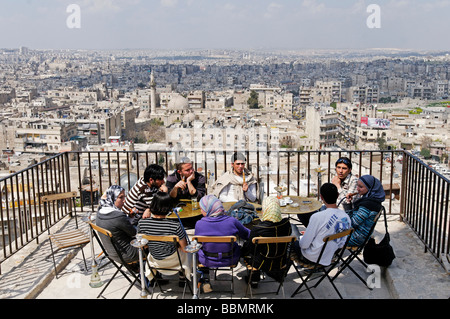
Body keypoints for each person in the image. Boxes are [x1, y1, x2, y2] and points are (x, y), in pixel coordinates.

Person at [194, 195, 251, 293]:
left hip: (207, 260)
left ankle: (205, 277)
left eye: (202, 209)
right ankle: (253, 277)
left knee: (199, 249)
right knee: (244, 246)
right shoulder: (232, 221)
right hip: (230, 259)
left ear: (209, 209)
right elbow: (248, 235)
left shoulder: (199, 224)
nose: (200, 211)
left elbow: (199, 243)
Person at [137, 191, 191, 285]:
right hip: (175, 262)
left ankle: (157, 278)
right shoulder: (175, 226)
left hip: (155, 261)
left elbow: (142, 246)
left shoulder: (142, 223)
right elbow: (185, 249)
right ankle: (183, 277)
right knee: (187, 250)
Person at [292, 183, 351, 266]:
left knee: (292, 228)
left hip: (312, 257)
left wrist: (301, 238)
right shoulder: (346, 217)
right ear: (337, 195)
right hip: (330, 255)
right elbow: (341, 243)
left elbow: (303, 245)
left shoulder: (317, 217)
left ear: (321, 197)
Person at [241, 196, 292, 287]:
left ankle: (254, 279)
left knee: (247, 250)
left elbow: (250, 249)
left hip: (261, 263)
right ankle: (277, 275)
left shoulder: (259, 229)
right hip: (280, 262)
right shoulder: (286, 225)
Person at [297, 156, 358, 227]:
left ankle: (317, 231)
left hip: (341, 215)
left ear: (349, 170)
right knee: (302, 212)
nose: (340, 171)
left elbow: (346, 201)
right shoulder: (336, 177)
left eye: (344, 168)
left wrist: (337, 185)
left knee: (313, 218)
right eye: (338, 167)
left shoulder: (354, 181)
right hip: (329, 209)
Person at [95, 185, 140, 266]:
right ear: (112, 197)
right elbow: (134, 233)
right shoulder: (118, 216)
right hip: (128, 254)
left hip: (112, 253)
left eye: (124, 197)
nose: (124, 200)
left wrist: (129, 217)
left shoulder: (99, 212)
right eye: (121, 197)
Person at [345, 175, 385, 247]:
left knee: (326, 237)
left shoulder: (368, 205)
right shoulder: (372, 200)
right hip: (360, 234)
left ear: (370, 188)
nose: (357, 189)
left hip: (357, 237)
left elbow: (352, 223)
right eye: (357, 186)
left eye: (361, 187)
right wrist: (349, 203)